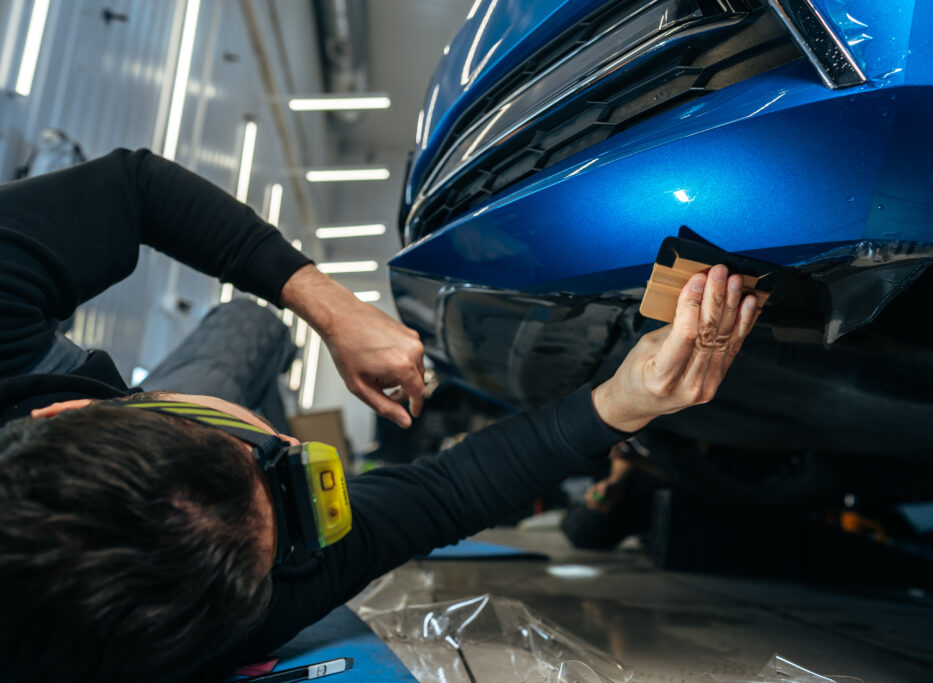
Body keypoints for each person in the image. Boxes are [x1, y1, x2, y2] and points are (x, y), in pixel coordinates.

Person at [0, 149, 760, 682]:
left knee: (250, 324)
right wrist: (624, 402)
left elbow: (135, 188)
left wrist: (326, 307)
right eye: (285, 507)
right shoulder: (215, 608)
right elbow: (441, 494)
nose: (286, 448)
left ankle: (253, 344)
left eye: (249, 452)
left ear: (65, 409)